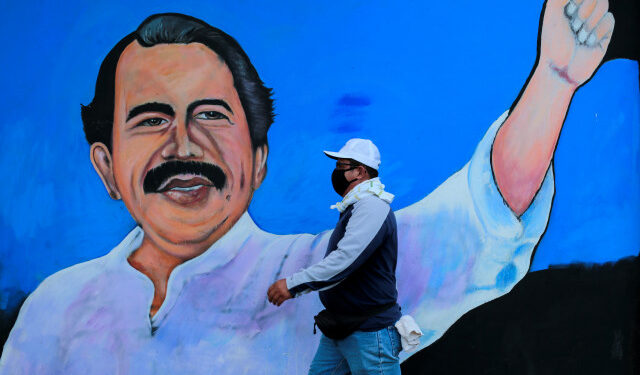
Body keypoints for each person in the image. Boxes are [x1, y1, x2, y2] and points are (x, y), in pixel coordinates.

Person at [0, 0, 615, 373]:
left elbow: (475, 226)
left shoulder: (325, 272)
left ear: (259, 158)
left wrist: (555, 81)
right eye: (151, 118)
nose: (183, 144)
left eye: (211, 114)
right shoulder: (51, 313)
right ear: (106, 165)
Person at [268, 138, 404, 374]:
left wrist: (292, 285)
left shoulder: (372, 207)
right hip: (342, 328)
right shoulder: (357, 206)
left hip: (370, 333)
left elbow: (344, 262)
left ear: (360, 172)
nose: (336, 173)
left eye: (341, 167)